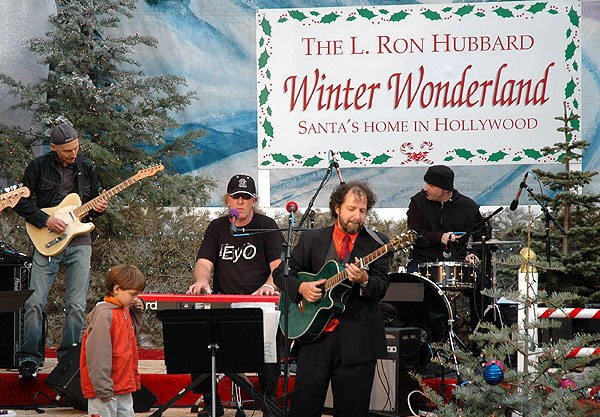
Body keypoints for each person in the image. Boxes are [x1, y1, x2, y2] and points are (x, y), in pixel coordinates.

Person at [273, 181, 391, 417]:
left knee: (352, 410)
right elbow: (282, 274)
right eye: (351, 209)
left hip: (358, 340)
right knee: (303, 408)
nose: (357, 216)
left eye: (362, 211)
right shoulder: (311, 239)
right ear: (337, 208)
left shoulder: (378, 243)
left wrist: (364, 280)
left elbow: (381, 286)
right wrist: (302, 288)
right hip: (314, 337)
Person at [14, 122, 108, 379]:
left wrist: (99, 209)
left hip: (79, 241)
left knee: (76, 305)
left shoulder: (87, 167)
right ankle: (29, 359)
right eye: (67, 151)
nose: (73, 154)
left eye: (76, 148)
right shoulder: (38, 167)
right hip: (46, 240)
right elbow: (20, 202)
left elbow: (94, 204)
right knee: (34, 302)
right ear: (53, 147)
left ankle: (68, 363)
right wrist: (45, 220)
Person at [187, 174, 284, 417]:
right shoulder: (217, 227)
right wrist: (201, 280)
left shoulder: (267, 226)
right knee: (196, 332)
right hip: (224, 302)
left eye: (246, 197)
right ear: (227, 200)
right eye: (235, 197)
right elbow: (204, 262)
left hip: (258, 302)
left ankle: (269, 400)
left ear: (254, 201)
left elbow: (279, 268)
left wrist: (270, 286)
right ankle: (210, 400)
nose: (240, 202)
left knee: (270, 334)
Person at [406, 165, 488, 329]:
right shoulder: (418, 202)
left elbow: (483, 235)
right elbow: (414, 234)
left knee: (483, 287)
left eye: (430, 185)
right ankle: (417, 336)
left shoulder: (468, 206)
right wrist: (440, 238)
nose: (425, 188)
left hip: (458, 262)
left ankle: (481, 341)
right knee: (409, 286)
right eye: (426, 184)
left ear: (444, 189)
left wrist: (474, 253)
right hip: (423, 260)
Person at [80, 264, 146, 417]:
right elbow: (98, 354)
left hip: (123, 384)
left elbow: (129, 337)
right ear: (117, 289)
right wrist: (103, 386)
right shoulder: (104, 314)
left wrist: (137, 313)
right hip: (105, 387)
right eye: (133, 294)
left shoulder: (123, 309)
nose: (136, 298)